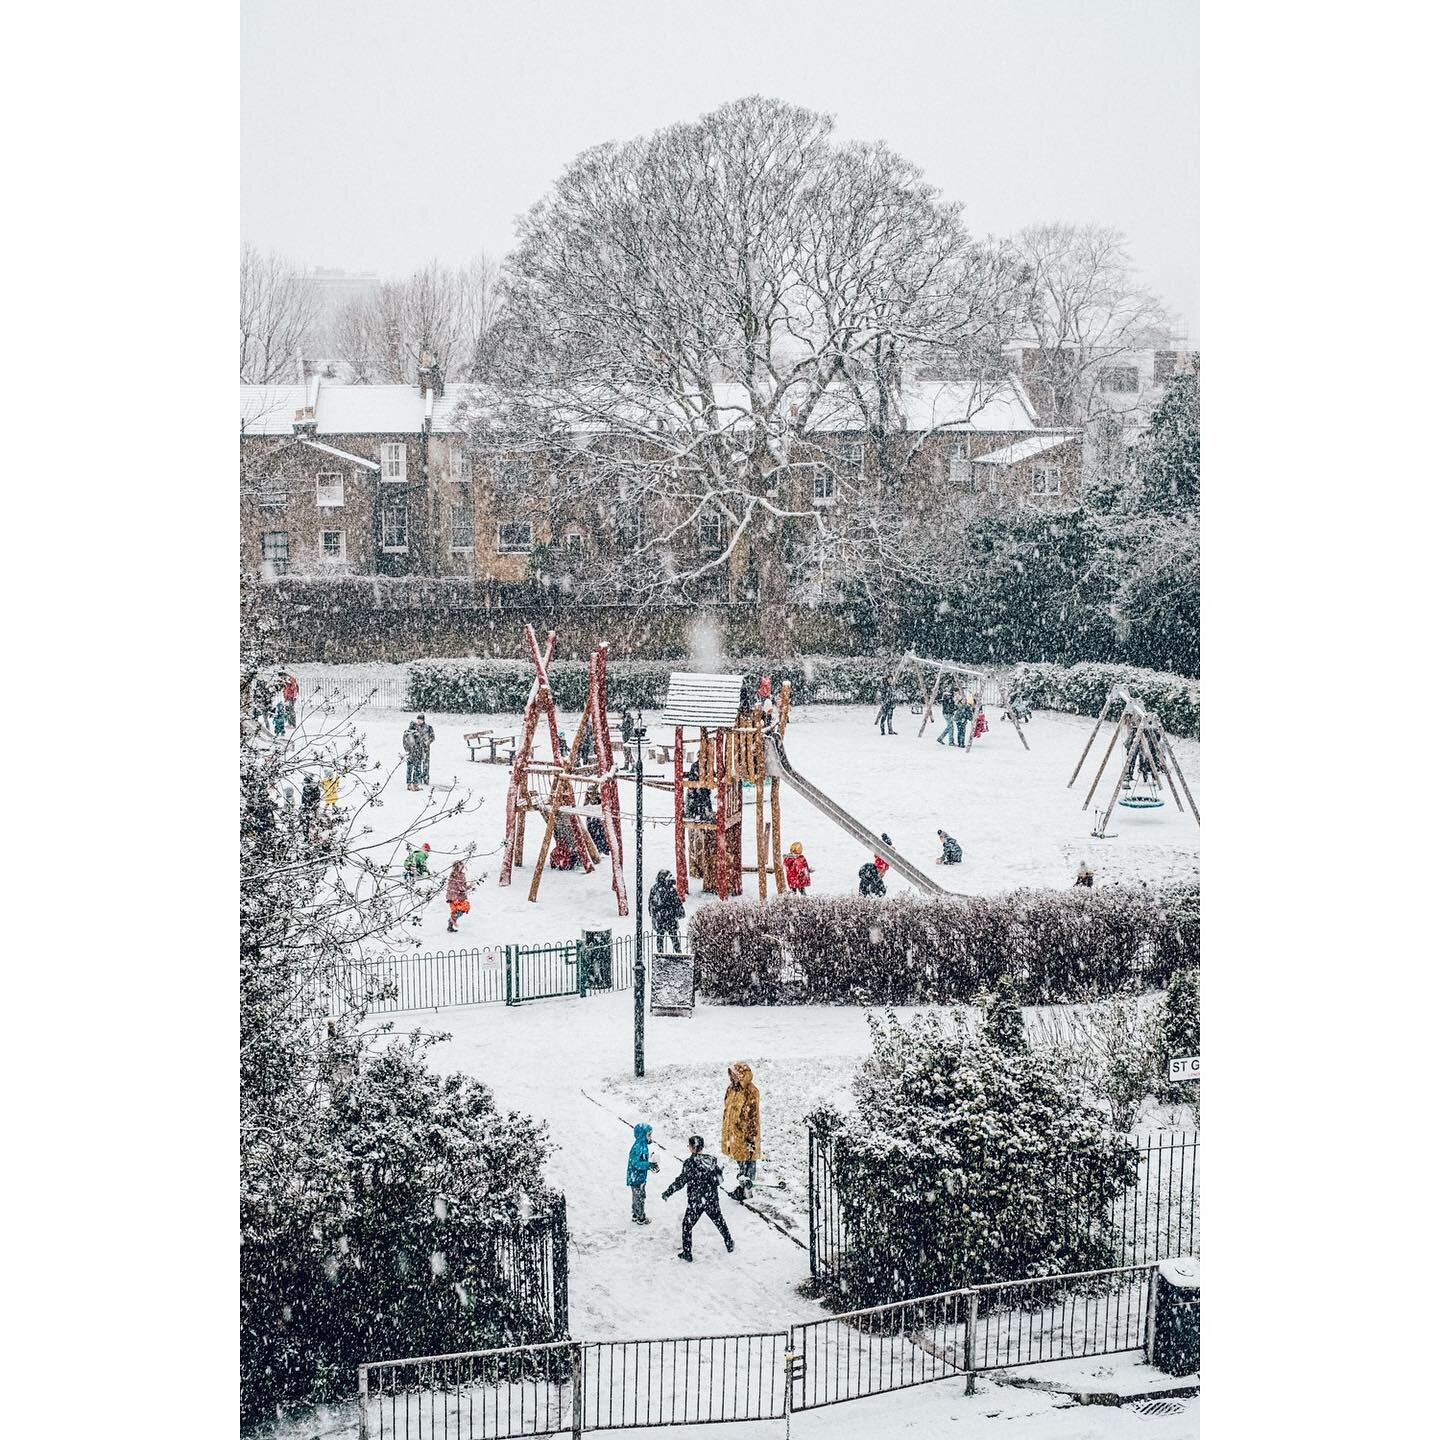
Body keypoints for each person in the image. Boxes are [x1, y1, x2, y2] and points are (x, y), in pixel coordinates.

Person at [661, 1135, 734, 1261]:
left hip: (696, 1201)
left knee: (687, 1225)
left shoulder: (690, 1163)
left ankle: (687, 1253)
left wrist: (668, 1192)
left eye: (689, 1146)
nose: (689, 1148)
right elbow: (719, 1181)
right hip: (711, 1199)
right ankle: (729, 1241)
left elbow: (681, 1181)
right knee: (719, 1220)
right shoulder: (711, 1161)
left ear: (693, 1148)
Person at [721, 1063, 762, 1201]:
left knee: (748, 1161)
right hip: (733, 1133)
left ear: (742, 1075)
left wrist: (751, 1136)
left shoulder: (751, 1091)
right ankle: (744, 1186)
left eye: (734, 1074)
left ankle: (746, 1189)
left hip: (745, 1134)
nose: (732, 1077)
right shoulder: (731, 1089)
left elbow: (752, 1116)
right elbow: (727, 1110)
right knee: (741, 1160)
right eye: (731, 1074)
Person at [626, 1122, 661, 1225]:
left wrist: (650, 1160)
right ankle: (641, 1217)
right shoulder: (638, 1147)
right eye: (649, 1135)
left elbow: (641, 1159)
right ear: (642, 1135)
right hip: (636, 1177)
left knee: (637, 1196)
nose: (650, 1137)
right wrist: (648, 1165)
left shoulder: (643, 1145)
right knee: (640, 1197)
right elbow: (635, 1163)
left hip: (639, 1176)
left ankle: (635, 1214)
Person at [648, 869, 685, 951]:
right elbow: (676, 903)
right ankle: (674, 954)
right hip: (667, 918)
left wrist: (654, 913)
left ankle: (661, 955)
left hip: (663, 918)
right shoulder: (665, 889)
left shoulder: (657, 889)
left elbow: (652, 904)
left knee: (664, 938)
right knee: (671, 938)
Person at [584, 785, 610, 856]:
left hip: (597, 819)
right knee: (591, 833)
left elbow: (602, 807)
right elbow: (585, 807)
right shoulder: (587, 800)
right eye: (588, 792)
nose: (590, 794)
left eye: (591, 792)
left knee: (599, 834)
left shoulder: (599, 798)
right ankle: (595, 849)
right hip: (590, 818)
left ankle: (602, 849)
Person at [446, 860, 471, 933]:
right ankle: (452, 919)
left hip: (451, 897)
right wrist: (470, 887)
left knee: (455, 911)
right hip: (458, 897)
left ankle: (450, 926)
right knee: (464, 907)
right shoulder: (460, 875)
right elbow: (462, 887)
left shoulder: (452, 874)